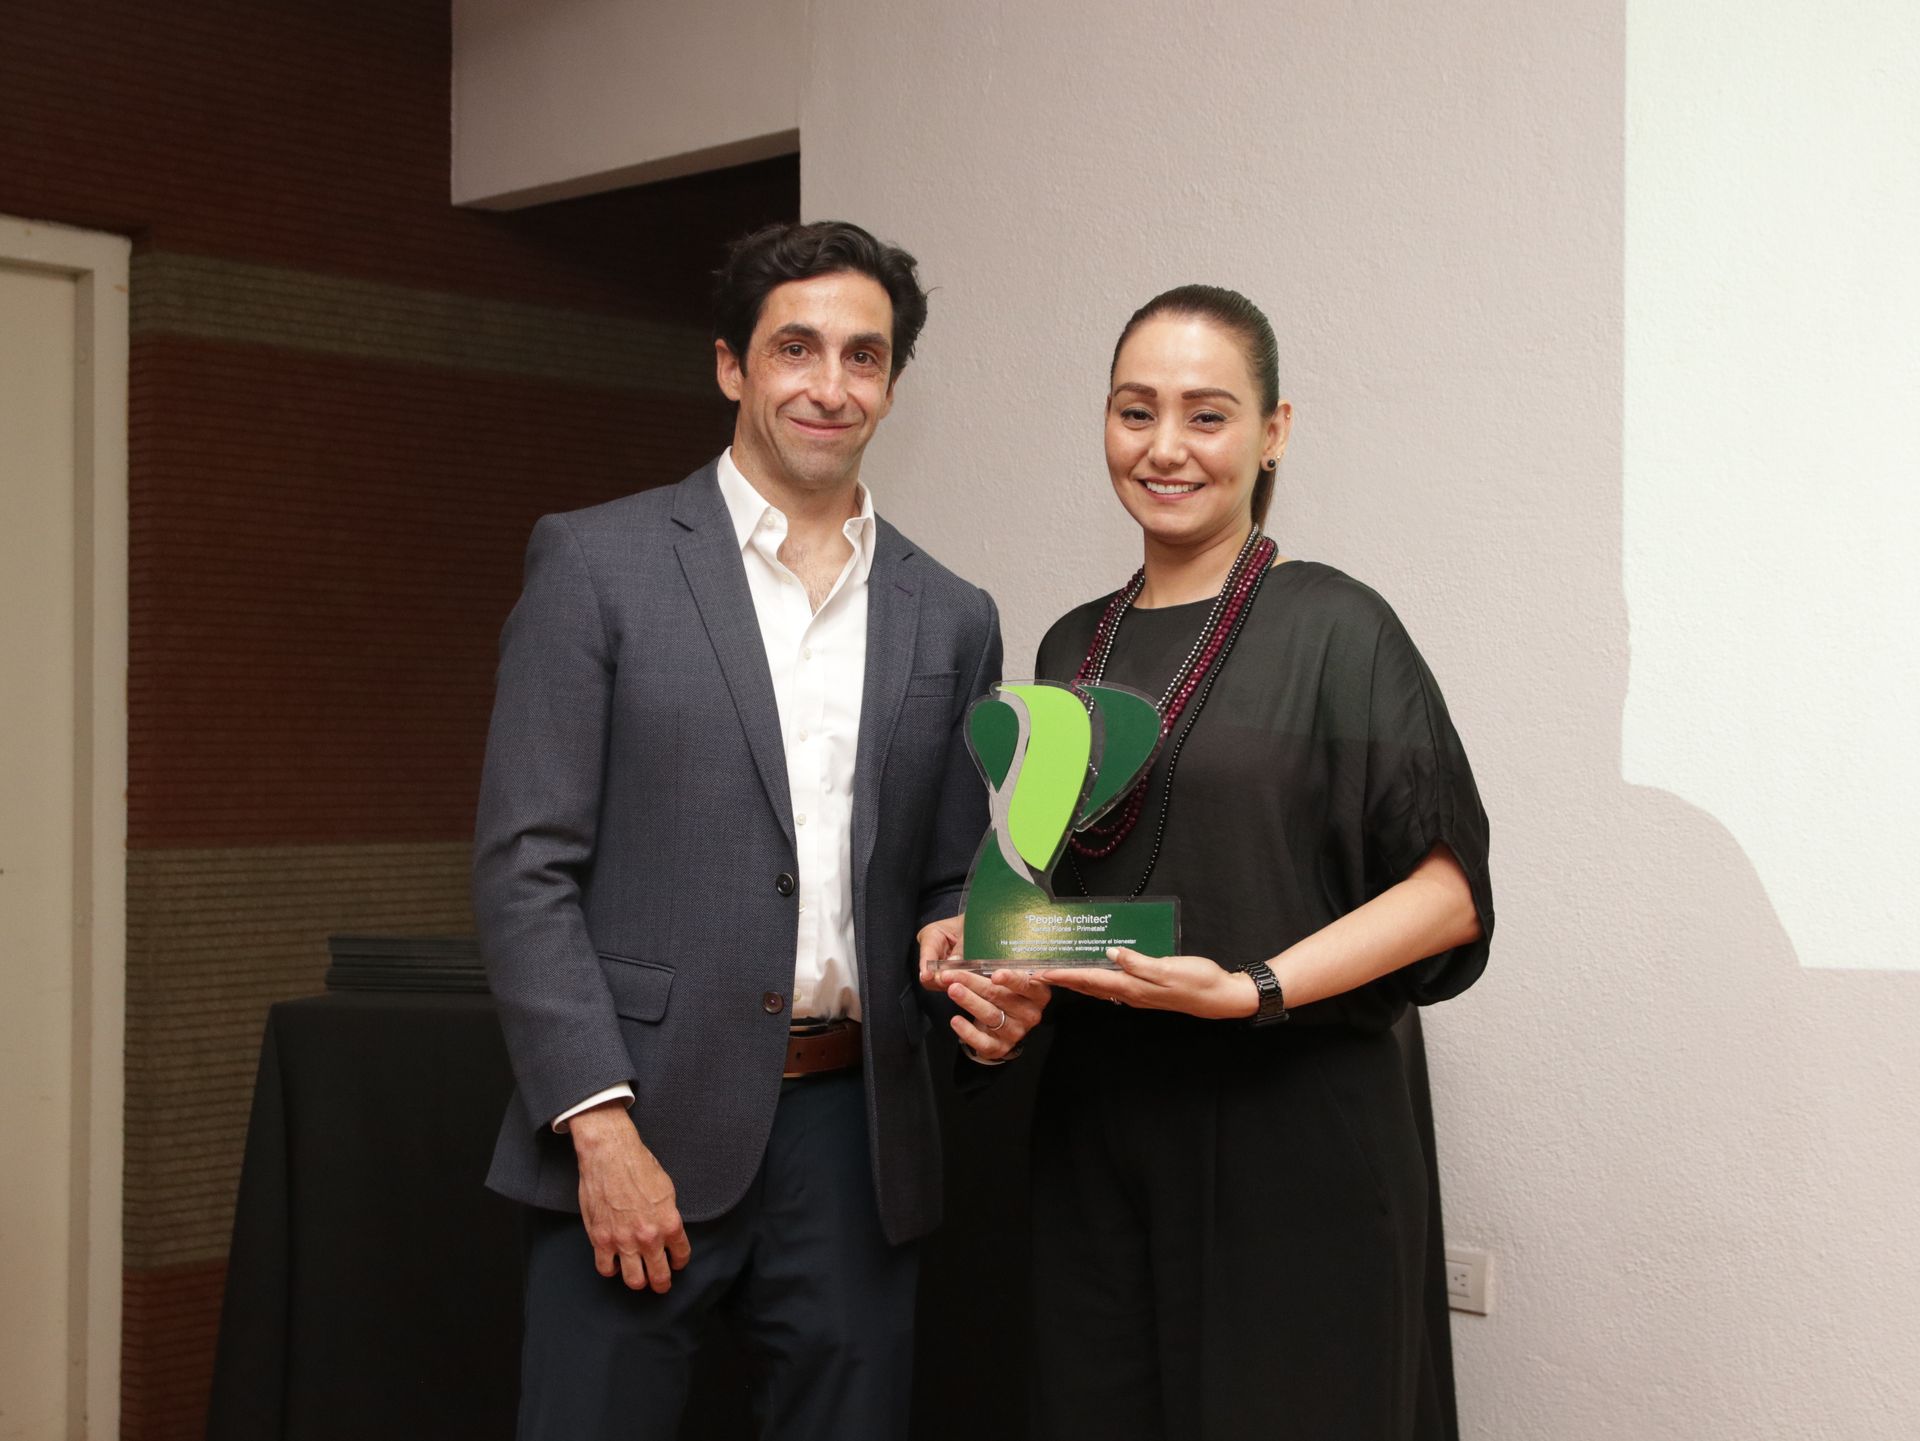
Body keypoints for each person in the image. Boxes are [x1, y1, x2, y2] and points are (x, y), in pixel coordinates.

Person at [472, 219, 1049, 1441]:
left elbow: (947, 871)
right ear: (732, 365)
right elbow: (526, 869)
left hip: (856, 1137)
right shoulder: (596, 563)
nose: (830, 385)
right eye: (797, 348)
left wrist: (967, 942)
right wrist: (598, 1125)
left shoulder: (952, 614)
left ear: (892, 383)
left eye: (863, 356)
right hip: (638, 1119)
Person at [1025, 285, 1494, 1440]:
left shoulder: (1339, 625)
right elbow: (1047, 888)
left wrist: (1251, 989)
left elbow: (1448, 895)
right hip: (1097, 1135)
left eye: (1207, 414)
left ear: (1274, 431)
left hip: (1295, 1138)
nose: (1165, 447)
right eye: (1136, 411)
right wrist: (985, 950)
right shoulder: (1068, 643)